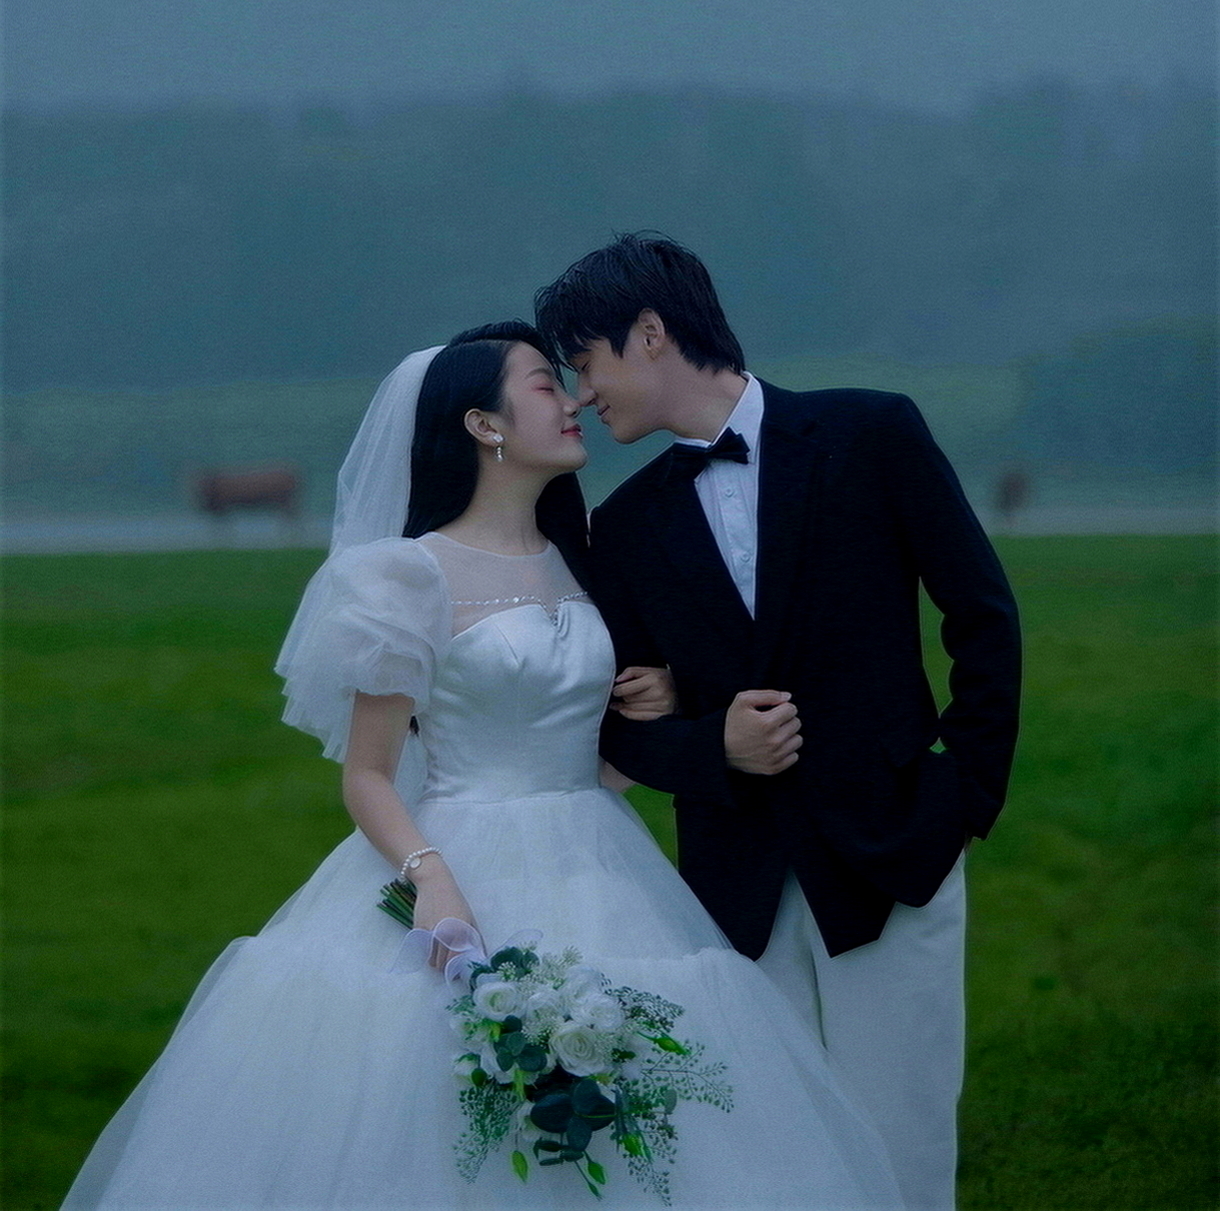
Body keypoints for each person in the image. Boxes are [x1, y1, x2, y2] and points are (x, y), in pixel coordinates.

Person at [62, 321, 901, 1211]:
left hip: (602, 856)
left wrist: (652, 712)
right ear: (482, 424)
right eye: (546, 383)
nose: (575, 399)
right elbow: (368, 774)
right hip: (458, 852)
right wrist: (432, 880)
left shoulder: (588, 558)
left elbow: (589, 756)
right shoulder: (405, 575)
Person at [534, 239, 1022, 1211]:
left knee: (903, 1145)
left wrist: (961, 795)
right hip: (735, 886)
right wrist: (710, 745)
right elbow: (615, 729)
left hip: (895, 850)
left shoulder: (870, 432)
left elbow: (981, 616)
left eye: (585, 362)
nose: (582, 394)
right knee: (773, 1164)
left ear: (650, 333)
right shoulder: (623, 527)